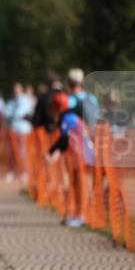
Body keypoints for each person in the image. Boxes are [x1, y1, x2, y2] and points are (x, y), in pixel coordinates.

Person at [47, 90, 95, 228]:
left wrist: (52, 152)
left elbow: (64, 139)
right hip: (79, 155)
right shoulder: (70, 116)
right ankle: (77, 214)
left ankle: (81, 216)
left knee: (80, 185)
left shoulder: (67, 118)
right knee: (75, 183)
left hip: (81, 156)